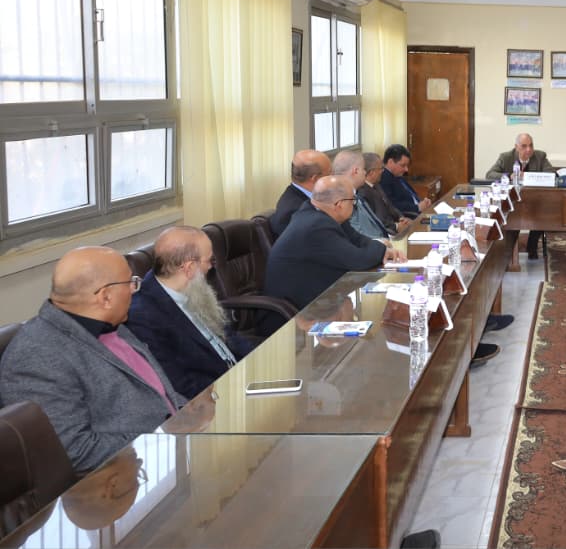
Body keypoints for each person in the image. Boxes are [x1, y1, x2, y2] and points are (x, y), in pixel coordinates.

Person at [0, 247, 185, 473]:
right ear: (105, 297)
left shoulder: (108, 321)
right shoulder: (36, 356)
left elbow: (158, 391)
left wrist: (189, 414)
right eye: (130, 282)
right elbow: (74, 451)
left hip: (173, 446)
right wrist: (161, 438)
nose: (134, 289)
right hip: (125, 474)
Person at [127, 227, 256, 399]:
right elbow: (180, 385)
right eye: (209, 260)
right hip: (217, 397)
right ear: (189, 268)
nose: (211, 267)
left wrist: (257, 363)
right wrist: (233, 389)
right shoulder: (143, 318)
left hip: (242, 377)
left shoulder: (194, 290)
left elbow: (228, 336)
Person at [264, 176, 405, 310]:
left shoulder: (319, 212)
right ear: (339, 205)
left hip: (320, 296)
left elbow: (358, 239)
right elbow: (357, 260)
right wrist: (382, 250)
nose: (354, 204)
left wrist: (382, 249)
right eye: (353, 200)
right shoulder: (316, 226)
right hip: (297, 309)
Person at [485, 133, 555, 259]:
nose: (528, 149)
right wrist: (509, 176)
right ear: (516, 147)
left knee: (542, 213)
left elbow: (551, 174)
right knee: (512, 218)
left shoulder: (540, 156)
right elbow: (490, 174)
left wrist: (530, 177)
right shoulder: (506, 157)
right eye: (524, 146)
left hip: (534, 199)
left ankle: (532, 246)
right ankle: (509, 250)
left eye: (531, 145)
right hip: (513, 200)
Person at [269, 149, 331, 237]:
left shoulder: (314, 197)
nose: (332, 178)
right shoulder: (295, 211)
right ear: (315, 178)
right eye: (329, 174)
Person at [332, 150, 392, 241]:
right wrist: (381, 242)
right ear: (355, 171)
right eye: (363, 169)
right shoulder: (343, 198)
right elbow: (356, 234)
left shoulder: (355, 193)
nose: (365, 172)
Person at [361, 152, 411, 235]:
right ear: (371, 172)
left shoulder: (377, 185)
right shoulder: (363, 193)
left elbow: (390, 206)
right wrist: (397, 226)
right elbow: (377, 221)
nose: (383, 171)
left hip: (396, 226)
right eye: (381, 168)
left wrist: (401, 217)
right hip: (388, 234)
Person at [380, 144, 433, 218]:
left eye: (407, 166)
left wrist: (423, 203)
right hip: (410, 217)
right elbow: (391, 205)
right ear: (390, 162)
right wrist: (417, 207)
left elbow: (410, 195)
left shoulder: (397, 174)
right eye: (403, 165)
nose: (406, 169)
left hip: (419, 213)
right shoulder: (384, 179)